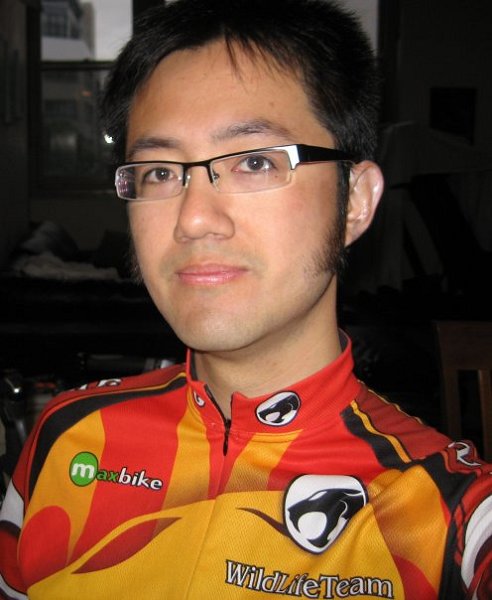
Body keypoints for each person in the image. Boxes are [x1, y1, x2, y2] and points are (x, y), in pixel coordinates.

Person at [1, 0, 491, 597]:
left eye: (255, 162)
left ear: (356, 201)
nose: (193, 219)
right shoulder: (65, 440)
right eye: (160, 172)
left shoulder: (447, 512)